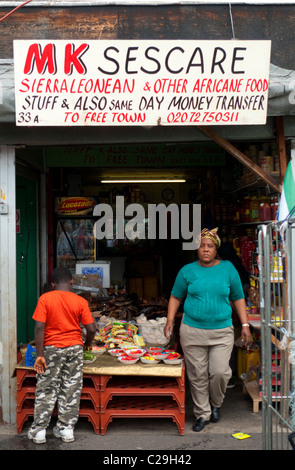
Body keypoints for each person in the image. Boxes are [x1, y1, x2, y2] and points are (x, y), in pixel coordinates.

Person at [164, 228, 251, 432]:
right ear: (197, 249)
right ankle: (202, 413)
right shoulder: (187, 271)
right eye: (202, 246)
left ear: (216, 249)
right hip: (192, 330)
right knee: (197, 374)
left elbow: (238, 297)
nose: (205, 249)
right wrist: (169, 320)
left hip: (221, 331)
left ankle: (216, 404)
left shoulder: (228, 269)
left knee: (220, 372)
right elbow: (176, 297)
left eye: (209, 246)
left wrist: (245, 324)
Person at [27, 267, 96, 444]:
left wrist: (40, 355)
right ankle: (66, 429)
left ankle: (40, 431)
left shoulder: (45, 299)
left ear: (52, 284)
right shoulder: (80, 301)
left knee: (46, 388)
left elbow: (40, 327)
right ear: (72, 281)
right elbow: (91, 329)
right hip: (75, 348)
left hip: (51, 348)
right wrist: (86, 345)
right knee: (71, 388)